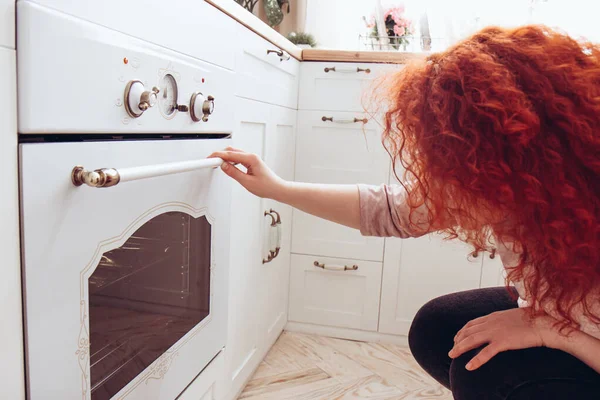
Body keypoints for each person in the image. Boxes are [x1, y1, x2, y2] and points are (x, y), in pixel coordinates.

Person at [210, 25, 600, 399]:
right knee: (439, 329)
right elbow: (393, 210)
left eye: (451, 166)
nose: (436, 183)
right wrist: (277, 189)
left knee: (491, 374)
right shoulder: (508, 188)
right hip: (570, 317)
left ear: (517, 156)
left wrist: (555, 332)